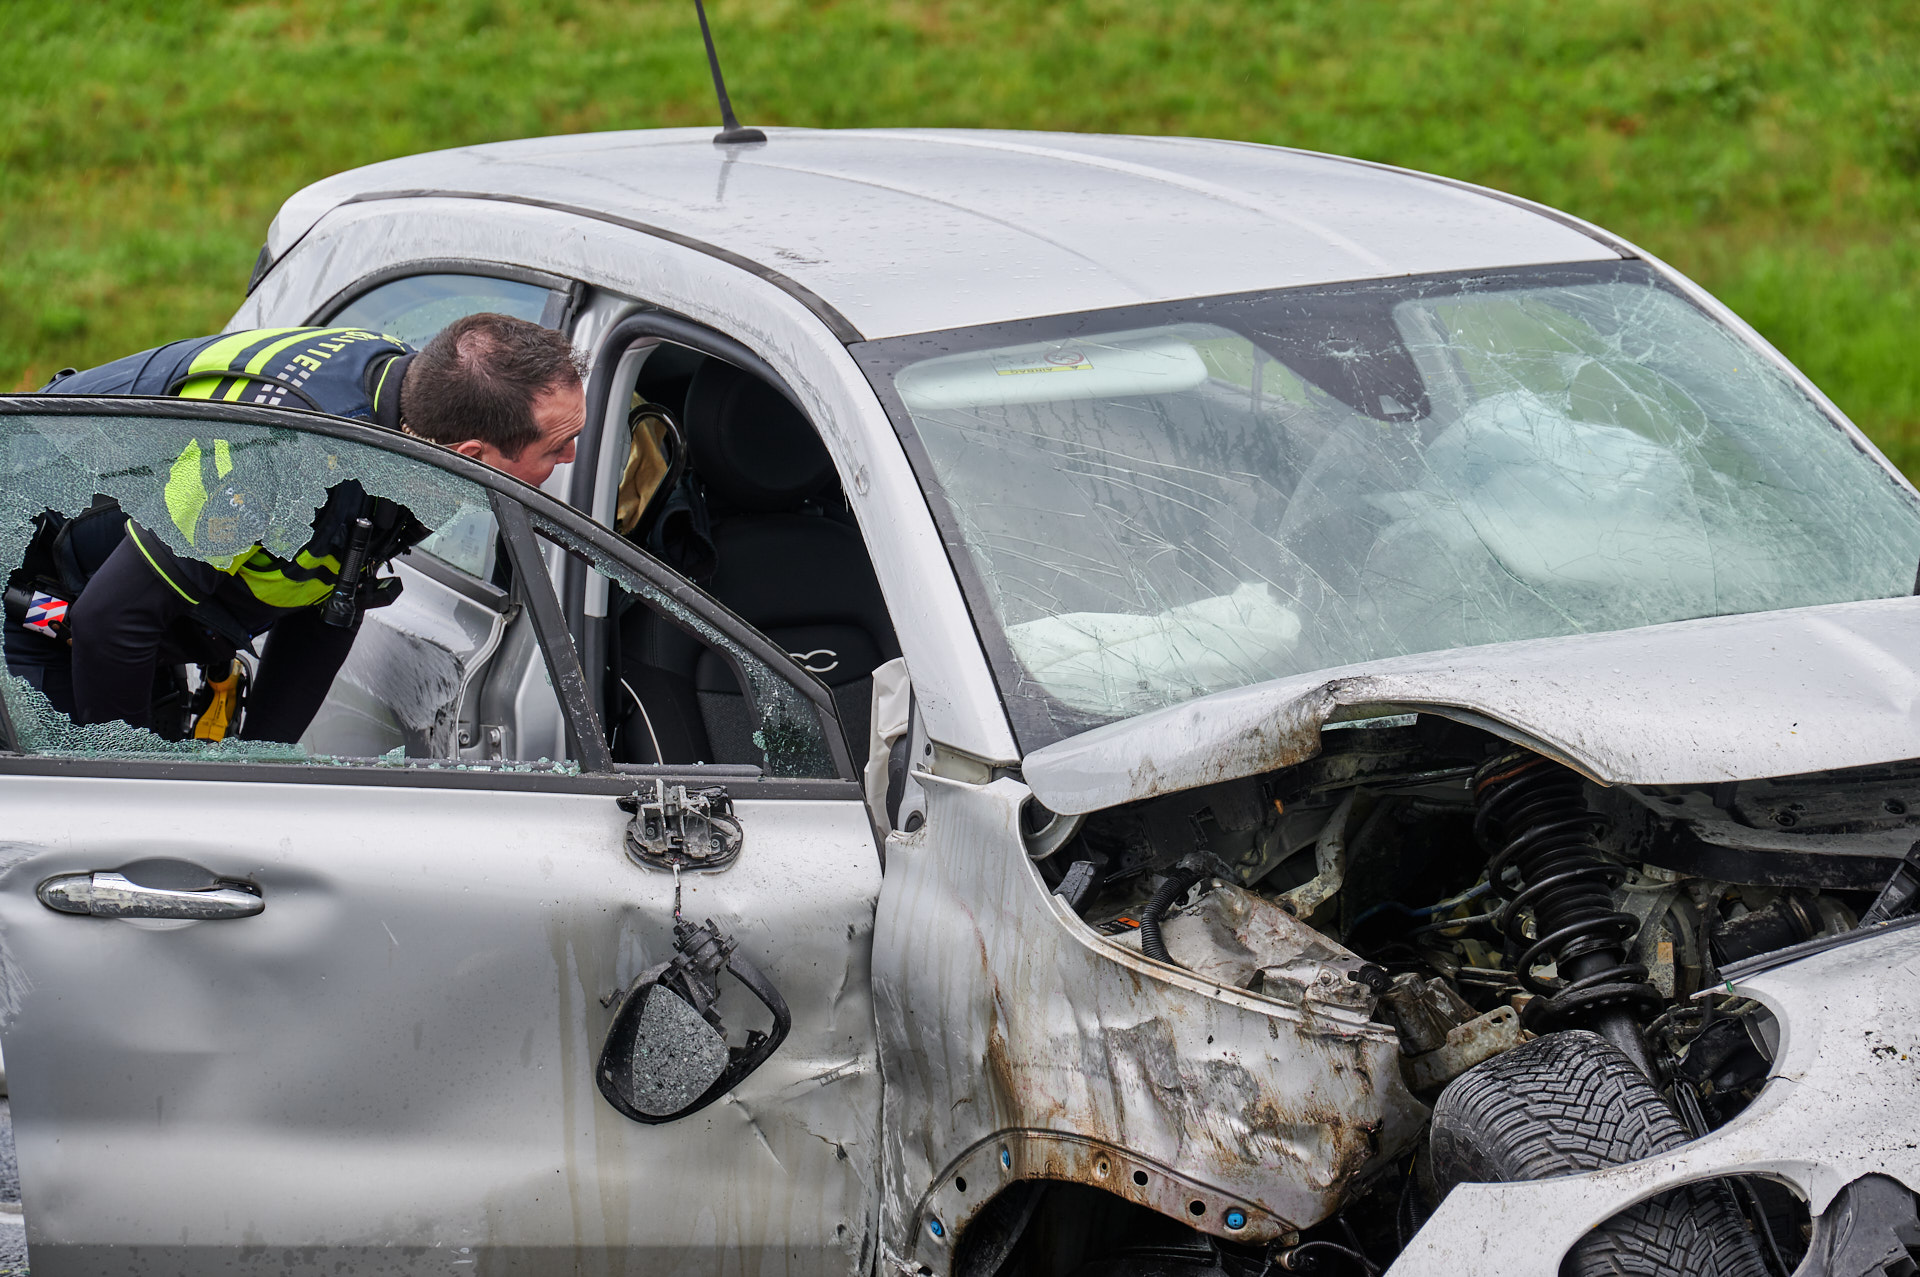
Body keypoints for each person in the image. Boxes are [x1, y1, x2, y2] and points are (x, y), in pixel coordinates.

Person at [4, 312, 585, 742]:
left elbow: (336, 589)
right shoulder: (276, 462)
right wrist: (141, 791)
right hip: (42, 600)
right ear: (474, 453)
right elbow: (110, 620)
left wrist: (265, 767)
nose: (575, 457)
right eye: (559, 445)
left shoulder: (416, 419)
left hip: (134, 615)